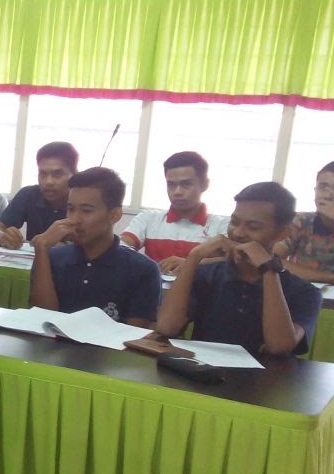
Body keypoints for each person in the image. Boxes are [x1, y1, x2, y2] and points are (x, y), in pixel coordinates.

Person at [156, 181, 321, 356]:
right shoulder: (208, 274)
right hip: (202, 369)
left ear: (281, 234)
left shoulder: (304, 292)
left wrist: (268, 269)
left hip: (265, 374)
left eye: (253, 227)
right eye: (234, 222)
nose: (238, 233)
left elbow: (279, 346)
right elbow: (167, 327)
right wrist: (194, 257)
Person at [28, 167, 161, 328]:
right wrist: (42, 249)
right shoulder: (53, 258)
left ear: (114, 215)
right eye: (70, 209)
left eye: (86, 211)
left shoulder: (142, 270)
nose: (74, 220)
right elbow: (41, 320)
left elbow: (135, 334)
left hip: (111, 344)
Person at [121, 151, 228, 275]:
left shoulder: (222, 226)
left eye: (186, 184)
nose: (177, 192)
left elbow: (235, 260)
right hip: (153, 286)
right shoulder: (148, 219)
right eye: (171, 184)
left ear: (204, 184)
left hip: (199, 287)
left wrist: (191, 263)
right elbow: (121, 247)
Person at [0, 141, 77, 249]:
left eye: (57, 174)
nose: (48, 181)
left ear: (74, 174)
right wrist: (2, 235)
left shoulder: (84, 201)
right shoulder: (29, 194)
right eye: (43, 174)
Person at [275, 162, 334, 283]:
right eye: (323, 187)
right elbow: (271, 260)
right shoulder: (301, 221)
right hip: (301, 292)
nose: (329, 195)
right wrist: (329, 277)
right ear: (315, 191)